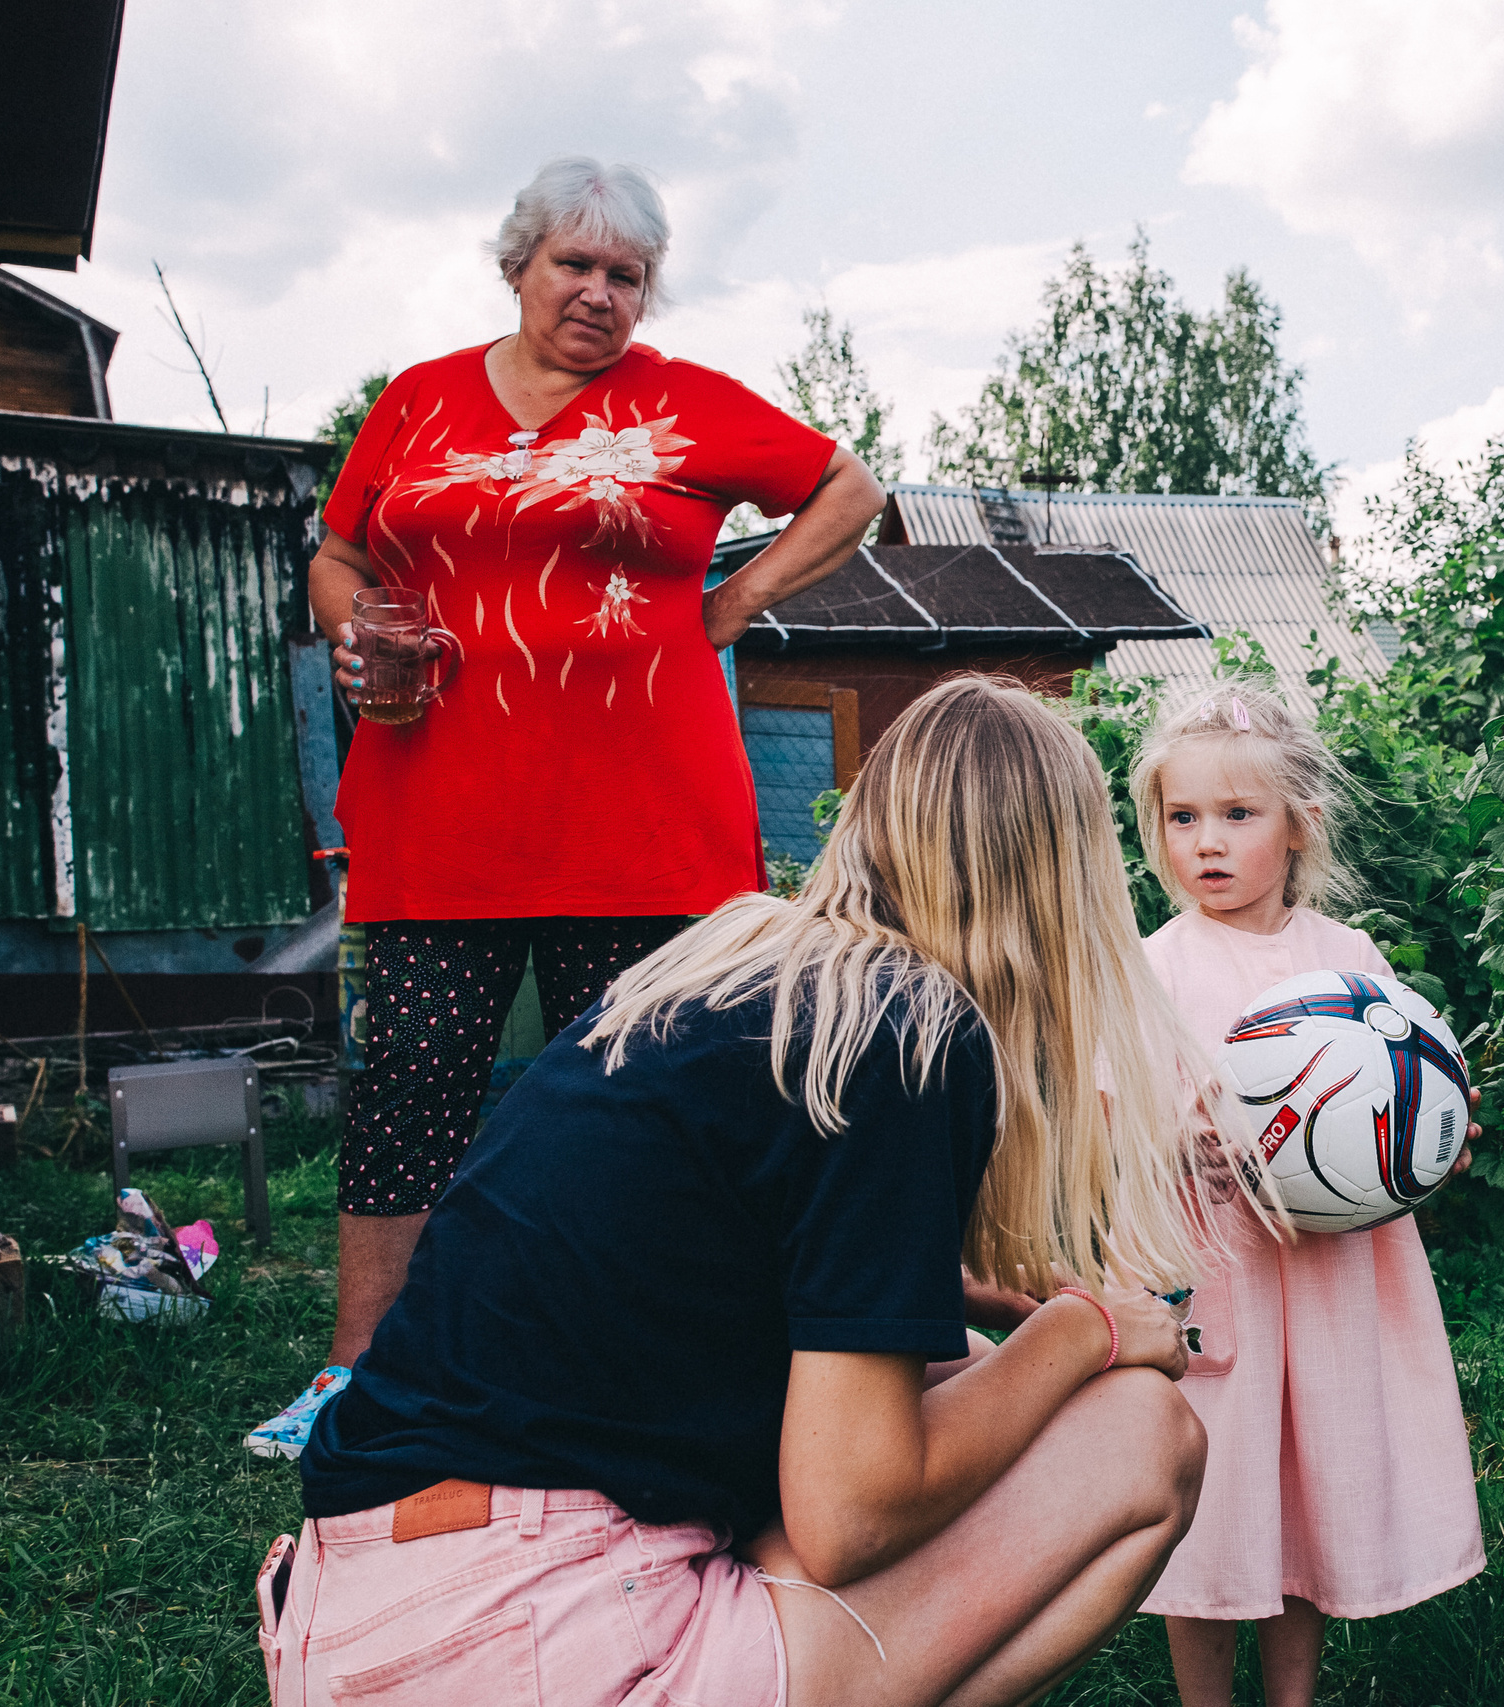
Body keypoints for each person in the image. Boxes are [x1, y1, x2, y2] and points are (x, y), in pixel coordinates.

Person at [265, 677, 1230, 1706]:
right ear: (1056, 881)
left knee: (968, 1365)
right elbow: (850, 1513)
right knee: (1138, 1432)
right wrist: (1084, 1328)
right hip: (523, 1634)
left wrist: (947, 1294)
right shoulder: (900, 1027)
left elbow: (670, 1246)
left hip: (370, 1610)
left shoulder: (729, 967)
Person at [245, 157, 887, 1458]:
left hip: (642, 823)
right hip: (440, 811)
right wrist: (355, 631)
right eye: (573, 266)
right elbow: (339, 552)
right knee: (411, 1079)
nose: (598, 294)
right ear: (518, 264)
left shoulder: (690, 403)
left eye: (626, 276)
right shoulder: (418, 402)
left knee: (635, 1094)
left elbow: (851, 489)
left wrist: (735, 602)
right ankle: (360, 1371)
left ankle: (621, 1352)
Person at [1127, 686, 1487, 1707]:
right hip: (1216, 1282)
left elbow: (1412, 1091)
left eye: (1237, 816)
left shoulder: (1347, 963)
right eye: (1181, 817)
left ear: (1297, 827)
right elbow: (1106, 1133)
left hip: (1333, 1288)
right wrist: (1171, 1147)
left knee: (1307, 1499)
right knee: (1213, 1509)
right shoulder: (1149, 970)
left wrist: (1431, 1144)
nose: (1206, 842)